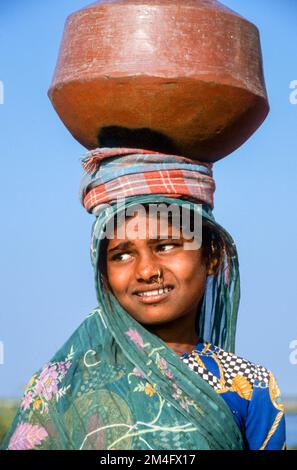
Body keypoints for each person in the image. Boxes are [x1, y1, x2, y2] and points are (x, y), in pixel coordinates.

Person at [1, 148, 286, 450]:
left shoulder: (250, 385)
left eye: (166, 246)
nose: (147, 270)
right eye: (121, 255)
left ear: (212, 255)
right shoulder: (64, 384)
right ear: (103, 275)